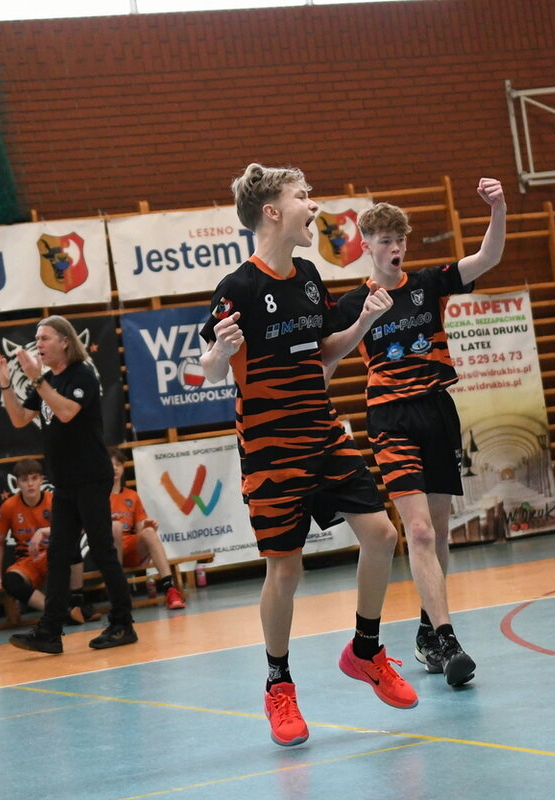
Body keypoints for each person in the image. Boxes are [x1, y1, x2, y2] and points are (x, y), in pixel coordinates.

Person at [199, 163, 416, 748]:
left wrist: (364, 321)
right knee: (286, 569)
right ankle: (278, 683)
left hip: (322, 432)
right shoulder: (239, 287)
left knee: (381, 535)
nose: (313, 205)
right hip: (270, 448)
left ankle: (365, 650)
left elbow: (323, 355)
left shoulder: (311, 277)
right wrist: (219, 352)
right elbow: (210, 370)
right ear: (273, 211)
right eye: (303, 196)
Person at [334, 179, 506, 687]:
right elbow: (327, 353)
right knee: (421, 531)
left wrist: (497, 208)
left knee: (439, 530)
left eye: (399, 239)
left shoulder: (427, 283)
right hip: (390, 419)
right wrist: (362, 323)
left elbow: (487, 258)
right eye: (384, 240)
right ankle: (449, 641)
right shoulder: (354, 302)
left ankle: (428, 632)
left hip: (437, 411)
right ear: (366, 245)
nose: (394, 247)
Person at [0, 316, 138, 653]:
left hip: (90, 477)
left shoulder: (81, 374)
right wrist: (6, 384)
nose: (39, 344)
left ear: (64, 341)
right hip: (64, 482)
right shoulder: (48, 380)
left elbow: (66, 412)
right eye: (37, 338)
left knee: (102, 551)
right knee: (58, 554)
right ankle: (50, 630)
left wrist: (36, 378)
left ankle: (123, 624)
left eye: (45, 338)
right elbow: (19, 419)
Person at [0, 459, 99, 625]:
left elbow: (76, 528)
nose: (30, 484)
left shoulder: (55, 500)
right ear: (17, 483)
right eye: (24, 480)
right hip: (28, 560)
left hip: (53, 554)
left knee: (72, 545)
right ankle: (60, 613)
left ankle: (77, 603)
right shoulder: (9, 506)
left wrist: (43, 532)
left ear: (41, 480)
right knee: (11, 582)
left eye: (34, 478)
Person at [107, 448, 186, 610]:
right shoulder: (98, 496)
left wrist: (147, 527)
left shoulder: (132, 495)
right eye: (110, 465)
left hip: (130, 548)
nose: (114, 468)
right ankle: (119, 587)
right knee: (115, 527)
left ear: (123, 468)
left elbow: (138, 531)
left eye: (118, 465)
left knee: (149, 532)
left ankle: (170, 590)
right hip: (108, 550)